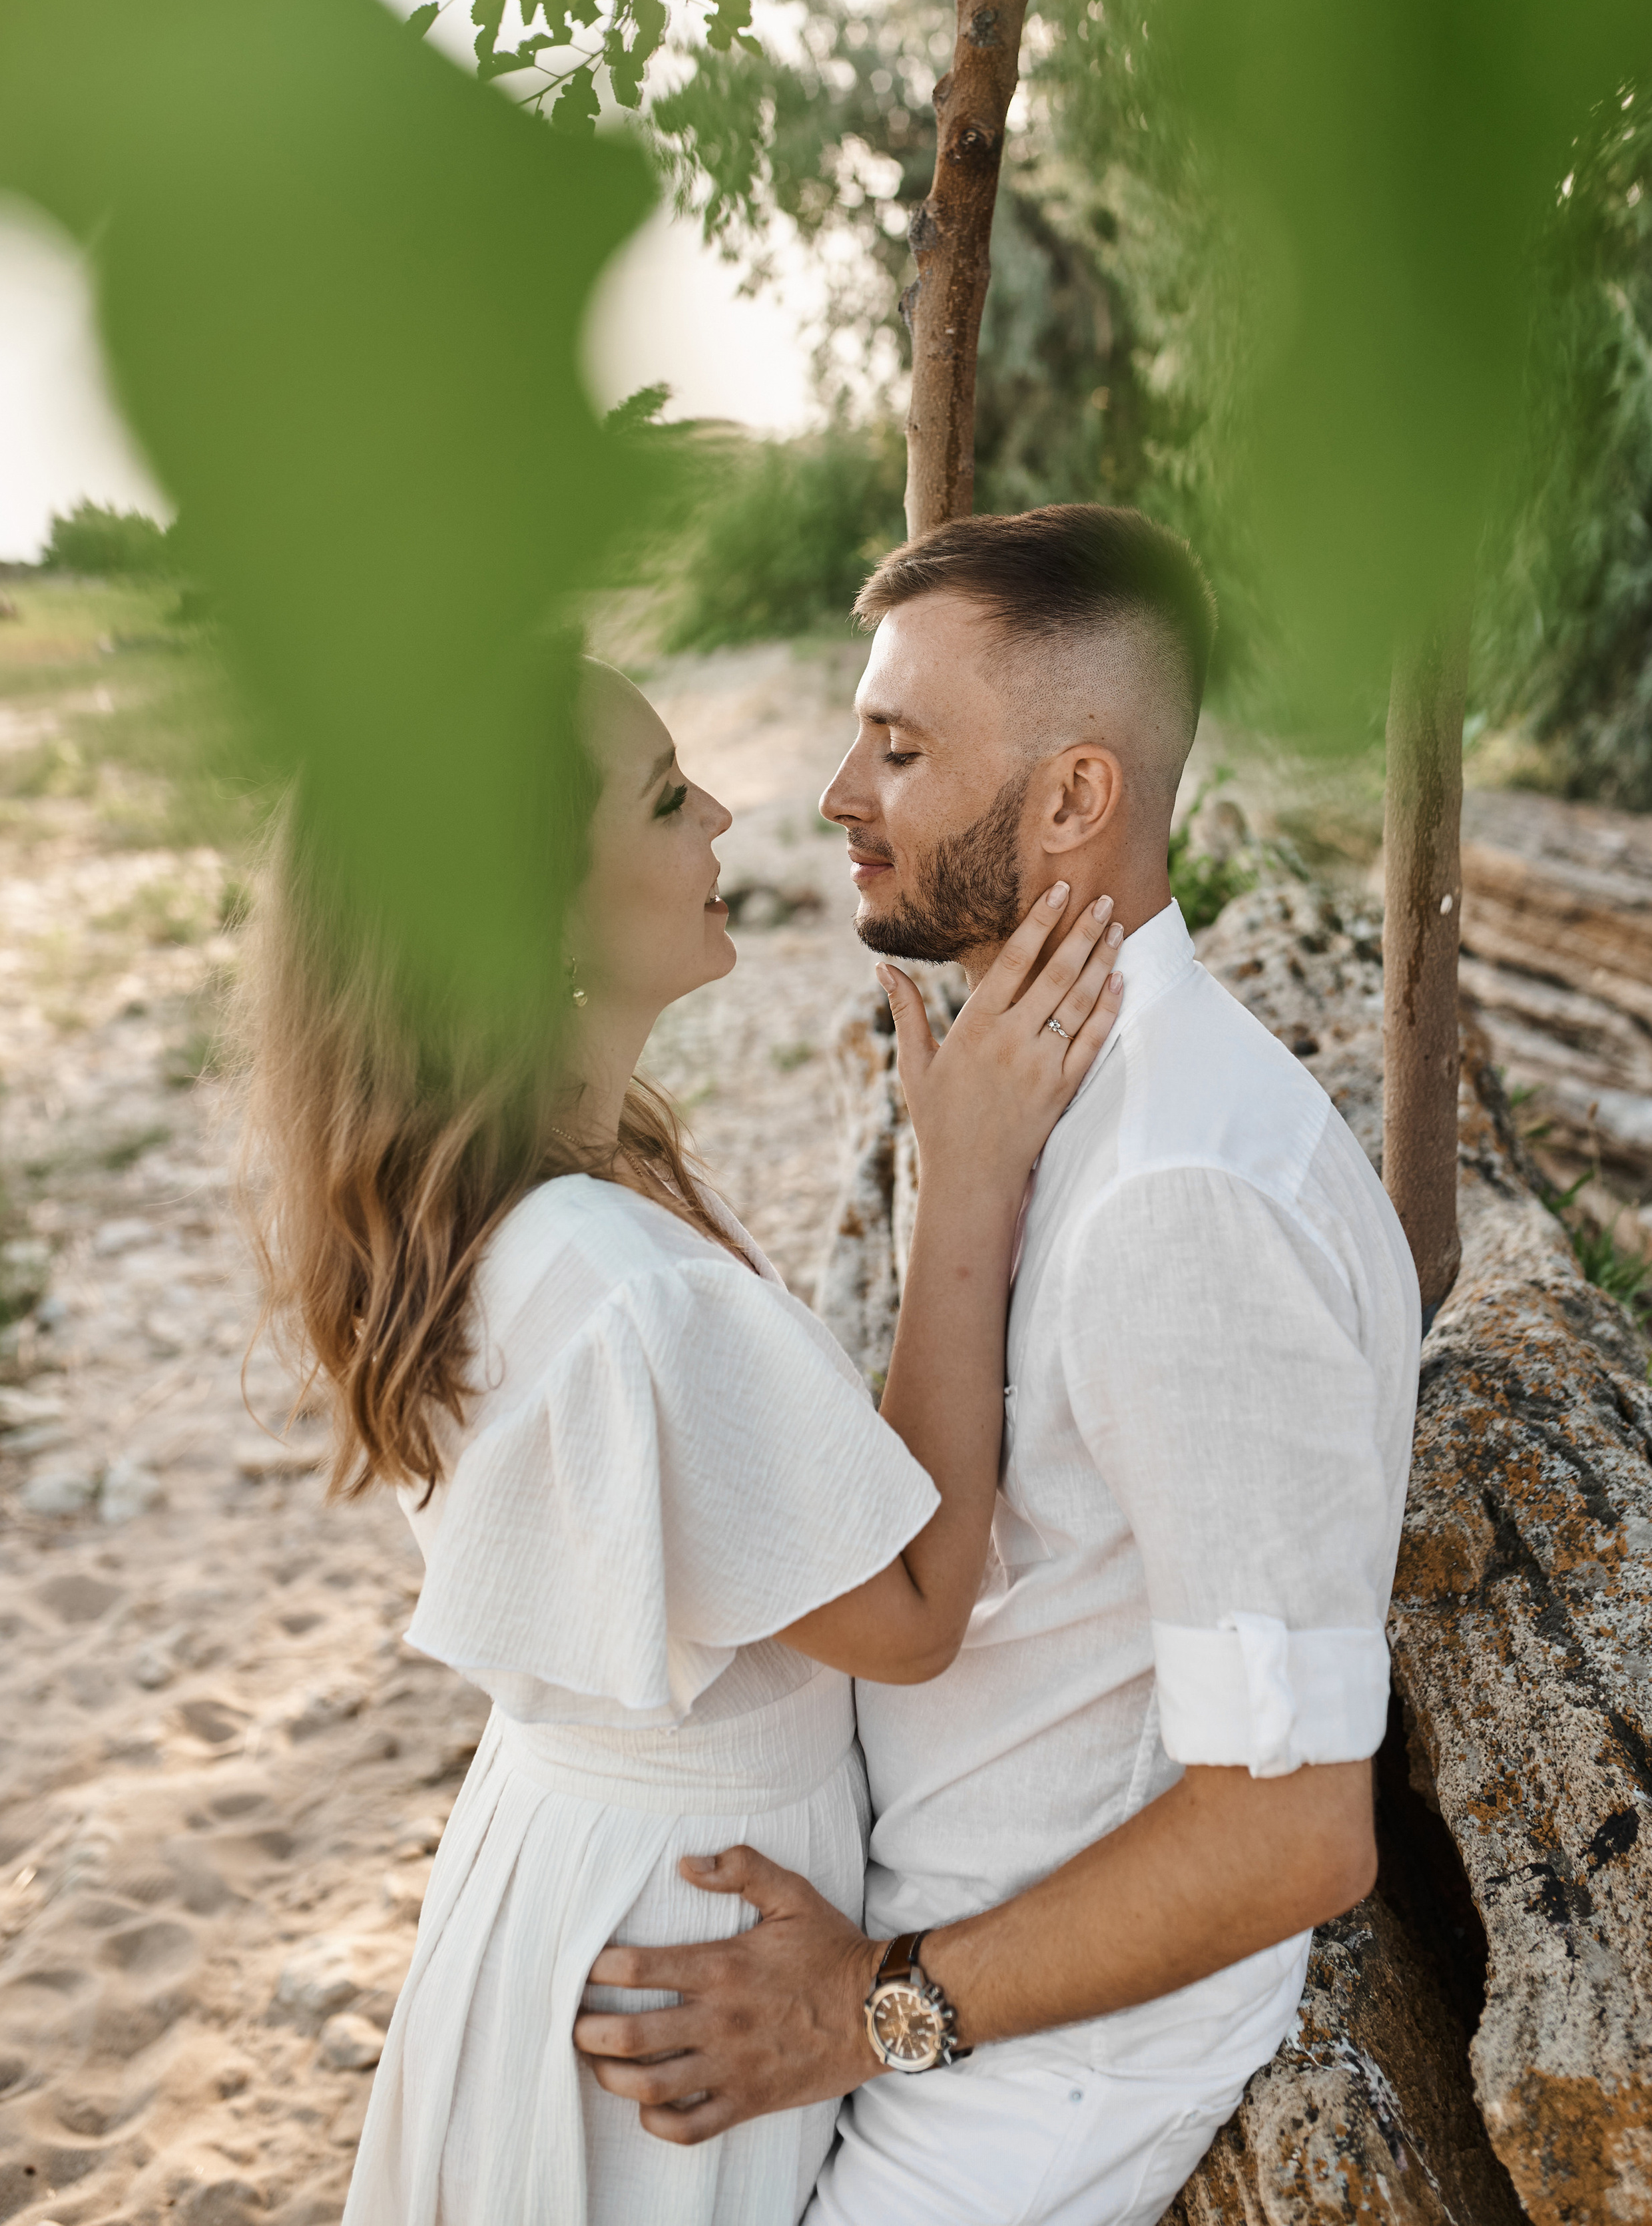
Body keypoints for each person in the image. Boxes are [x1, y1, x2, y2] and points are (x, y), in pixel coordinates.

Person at [574, 506, 1423, 2226]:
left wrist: (875, 2005)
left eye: (899, 746)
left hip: (1038, 2051)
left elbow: (1293, 1833)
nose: (835, 796)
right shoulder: (1062, 1101)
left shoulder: (1183, 1194)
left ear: (1071, 800)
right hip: (951, 1959)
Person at [242, 651, 1123, 2226]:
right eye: (662, 799)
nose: (721, 812)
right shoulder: (618, 1284)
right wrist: (970, 1179)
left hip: (573, 1860)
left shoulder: (526, 1196)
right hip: (683, 1939)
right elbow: (913, 1607)